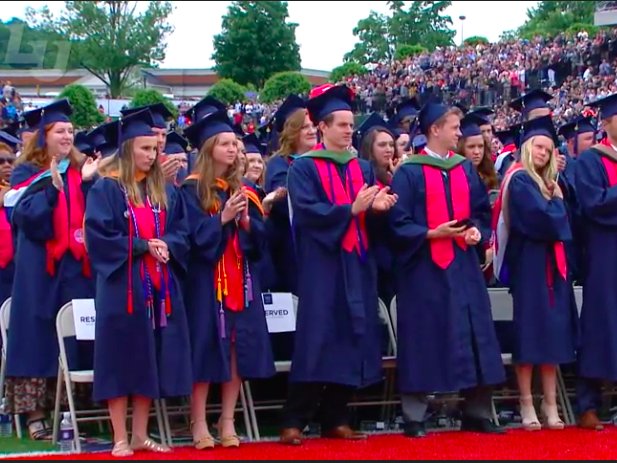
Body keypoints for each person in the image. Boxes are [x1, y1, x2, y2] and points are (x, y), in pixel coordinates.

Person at [279, 84, 397, 446]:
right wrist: (352, 210)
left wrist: (377, 211)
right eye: (342, 125)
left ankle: (335, 416)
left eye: (351, 125)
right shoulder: (303, 169)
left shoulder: (361, 167)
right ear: (324, 127)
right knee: (317, 339)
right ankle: (293, 420)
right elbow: (309, 214)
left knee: (352, 335)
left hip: (357, 263)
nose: (349, 130)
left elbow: (370, 221)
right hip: (322, 265)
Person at [389, 101, 505, 438]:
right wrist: (430, 233)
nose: (459, 133)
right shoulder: (409, 172)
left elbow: (481, 214)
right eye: (454, 127)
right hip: (424, 269)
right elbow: (397, 222)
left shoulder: (464, 169)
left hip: (464, 266)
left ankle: (477, 411)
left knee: (476, 334)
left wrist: (476, 233)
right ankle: (415, 416)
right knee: (423, 336)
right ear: (434, 130)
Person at [84, 108, 192, 457]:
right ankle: (119, 436)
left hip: (159, 288)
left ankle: (140, 434)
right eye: (145, 148)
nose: (152, 154)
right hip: (122, 288)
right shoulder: (107, 189)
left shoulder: (164, 190)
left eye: (154, 149)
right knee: (119, 360)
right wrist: (145, 245)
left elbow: (181, 232)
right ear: (128, 149)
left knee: (151, 357)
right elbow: (99, 237)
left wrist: (167, 245)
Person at [4, 99, 98, 440]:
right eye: (60, 131)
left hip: (73, 269)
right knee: (37, 339)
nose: (67, 135)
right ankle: (36, 414)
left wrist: (87, 184)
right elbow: (26, 221)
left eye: (71, 131)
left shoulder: (81, 171)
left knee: (72, 339)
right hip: (39, 270)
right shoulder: (27, 173)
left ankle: (74, 411)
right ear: (44, 137)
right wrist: (52, 190)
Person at [181, 109, 275, 450]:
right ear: (208, 149)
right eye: (225, 143)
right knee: (206, 347)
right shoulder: (190, 192)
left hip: (241, 280)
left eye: (235, 143)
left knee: (238, 348)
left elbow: (260, 241)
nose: (233, 149)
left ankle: (228, 420)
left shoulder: (244, 190)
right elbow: (190, 240)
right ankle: (199, 421)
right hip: (207, 283)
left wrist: (248, 222)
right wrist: (222, 218)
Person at [495, 115, 576, 431]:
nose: (543, 153)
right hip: (529, 266)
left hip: (553, 268)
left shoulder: (549, 182)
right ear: (527, 148)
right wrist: (557, 203)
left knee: (554, 333)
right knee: (529, 334)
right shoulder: (519, 180)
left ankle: (551, 403)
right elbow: (545, 221)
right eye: (538, 147)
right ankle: (527, 402)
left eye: (548, 148)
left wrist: (556, 199)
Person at [574, 93, 617, 431]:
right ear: (606, 123)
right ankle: (589, 403)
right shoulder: (591, 161)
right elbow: (593, 205)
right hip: (605, 253)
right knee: (600, 323)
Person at [264, 95, 316, 294]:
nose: (311, 130)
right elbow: (286, 201)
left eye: (313, 125)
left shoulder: (324, 160)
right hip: (291, 250)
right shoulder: (280, 163)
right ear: (293, 132)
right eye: (304, 127)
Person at [121, 103, 184, 185]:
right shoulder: (119, 174)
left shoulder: (170, 165)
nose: (160, 140)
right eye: (155, 133)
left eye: (164, 135)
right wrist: (157, 181)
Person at [0, 132, 18, 305]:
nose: (7, 166)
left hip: (15, 267)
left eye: (10, 161)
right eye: (1, 161)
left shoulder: (19, 191)